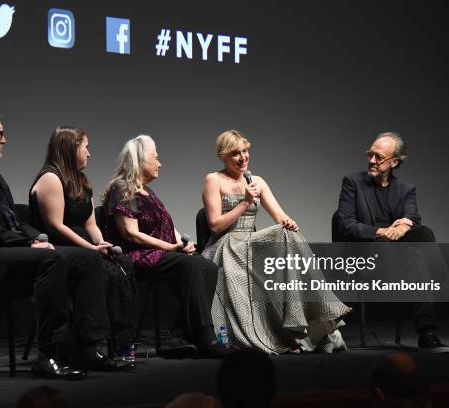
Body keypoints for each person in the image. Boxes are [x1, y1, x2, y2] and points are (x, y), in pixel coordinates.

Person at [0, 104, 131, 379]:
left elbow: (11, 219)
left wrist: (36, 237)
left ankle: (89, 347)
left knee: (87, 258)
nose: (4, 139)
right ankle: (51, 353)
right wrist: (27, 245)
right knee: (53, 259)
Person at [202, 130, 351, 354]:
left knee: (289, 234)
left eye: (245, 151)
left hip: (249, 242)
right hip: (226, 244)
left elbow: (280, 216)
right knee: (283, 239)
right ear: (223, 156)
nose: (243, 157)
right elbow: (214, 225)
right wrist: (244, 203)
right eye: (235, 154)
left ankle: (314, 320)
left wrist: (289, 222)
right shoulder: (214, 179)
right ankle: (314, 318)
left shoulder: (257, 181)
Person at [337, 131, 449, 352]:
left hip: (401, 255)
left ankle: (428, 332)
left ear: (395, 162)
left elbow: (413, 215)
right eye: (370, 154)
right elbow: (345, 224)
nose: (371, 160)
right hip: (370, 257)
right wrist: (383, 231)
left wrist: (404, 225)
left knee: (420, 240)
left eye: (379, 157)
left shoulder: (406, 189)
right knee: (418, 244)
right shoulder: (353, 183)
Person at [101, 135, 226, 357]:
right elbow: (131, 234)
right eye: (156, 158)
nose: (160, 163)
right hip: (137, 255)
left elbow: (168, 225)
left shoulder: (148, 192)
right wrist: (169, 248)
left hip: (158, 253)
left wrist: (182, 244)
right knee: (194, 267)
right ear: (141, 160)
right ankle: (206, 337)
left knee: (206, 266)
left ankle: (180, 334)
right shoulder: (122, 188)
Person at [30, 126, 137, 362]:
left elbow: (90, 225)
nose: (89, 154)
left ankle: (121, 343)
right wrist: (90, 248)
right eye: (85, 147)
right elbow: (57, 226)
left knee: (123, 264)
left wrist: (101, 242)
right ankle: (91, 345)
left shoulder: (81, 181)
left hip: (85, 248)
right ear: (71, 148)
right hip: (59, 250)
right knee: (102, 269)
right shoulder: (51, 178)